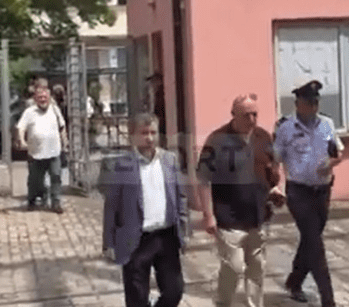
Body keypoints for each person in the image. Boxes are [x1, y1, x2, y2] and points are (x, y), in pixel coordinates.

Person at [196, 94, 285, 307]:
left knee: (257, 268)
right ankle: (223, 302)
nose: (252, 119)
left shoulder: (263, 137)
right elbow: (203, 179)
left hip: (259, 216)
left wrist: (274, 188)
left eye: (255, 114)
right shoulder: (217, 140)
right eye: (247, 115)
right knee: (234, 267)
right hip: (229, 218)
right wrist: (208, 215)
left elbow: (271, 169)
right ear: (233, 115)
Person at [102, 113, 188, 307]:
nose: (149, 138)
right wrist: (109, 242)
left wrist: (184, 231)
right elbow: (112, 206)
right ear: (132, 136)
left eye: (153, 132)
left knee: (174, 291)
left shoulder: (169, 160)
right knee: (137, 297)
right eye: (144, 133)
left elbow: (180, 197)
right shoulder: (121, 166)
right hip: (136, 239)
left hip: (166, 236)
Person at [273, 80, 345, 306]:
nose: (314, 107)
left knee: (309, 239)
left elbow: (338, 152)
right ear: (298, 104)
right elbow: (274, 160)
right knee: (315, 244)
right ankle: (328, 299)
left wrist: (331, 163)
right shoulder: (285, 128)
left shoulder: (327, 124)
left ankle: (294, 282)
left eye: (316, 102)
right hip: (298, 192)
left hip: (322, 191)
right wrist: (274, 186)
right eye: (309, 103)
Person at [17, 87, 66, 213]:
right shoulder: (29, 112)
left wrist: (65, 141)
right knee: (35, 180)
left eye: (45, 97)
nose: (43, 99)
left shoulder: (55, 110)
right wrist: (22, 140)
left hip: (54, 151)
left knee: (56, 177)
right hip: (36, 153)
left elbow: (62, 126)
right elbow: (21, 127)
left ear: (49, 98)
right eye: (40, 97)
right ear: (35, 99)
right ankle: (32, 200)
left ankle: (56, 203)